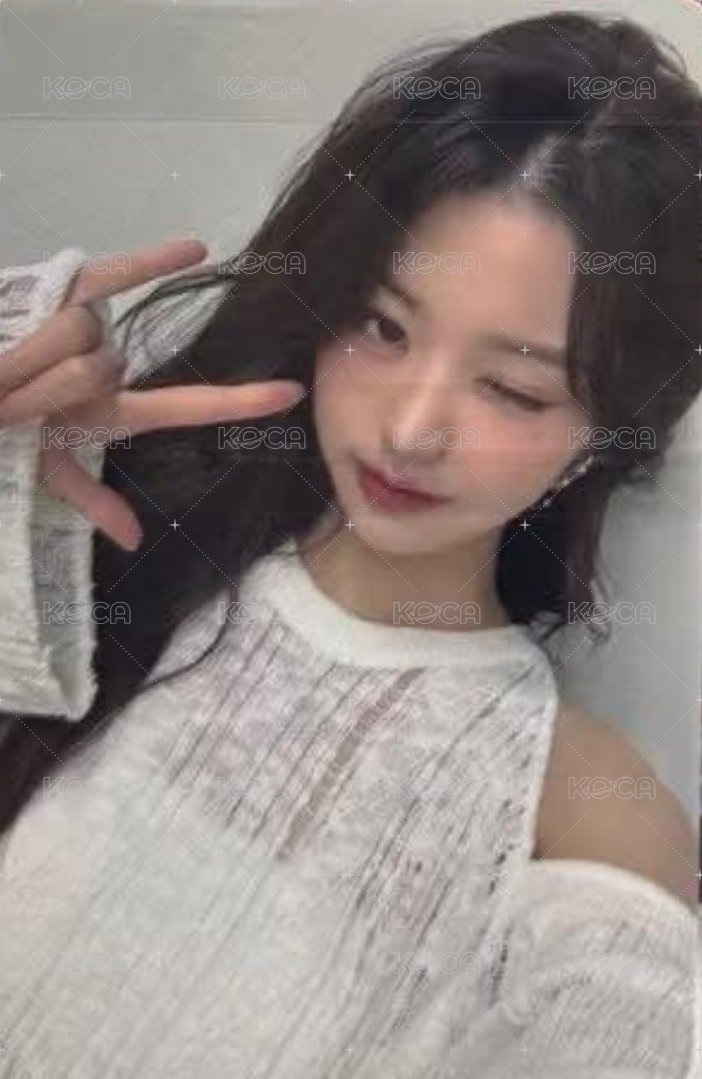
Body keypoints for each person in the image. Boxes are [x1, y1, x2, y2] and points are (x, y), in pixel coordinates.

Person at [0, 11, 699, 1078]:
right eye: (382, 326)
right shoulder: (113, 538)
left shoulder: (580, 813)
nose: (412, 428)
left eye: (512, 388)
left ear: (601, 437)